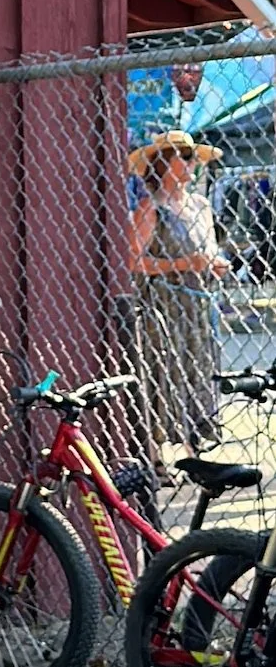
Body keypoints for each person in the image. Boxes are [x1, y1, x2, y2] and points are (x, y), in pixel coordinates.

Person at [129, 130, 227, 453]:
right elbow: (133, 261)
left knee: (198, 368)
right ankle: (157, 453)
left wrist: (213, 264)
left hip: (198, 305)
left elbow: (208, 251)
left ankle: (193, 448)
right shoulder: (151, 208)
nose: (192, 163)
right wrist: (183, 264)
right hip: (164, 306)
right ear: (162, 164)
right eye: (184, 157)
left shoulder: (200, 205)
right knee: (165, 372)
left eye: (193, 157)